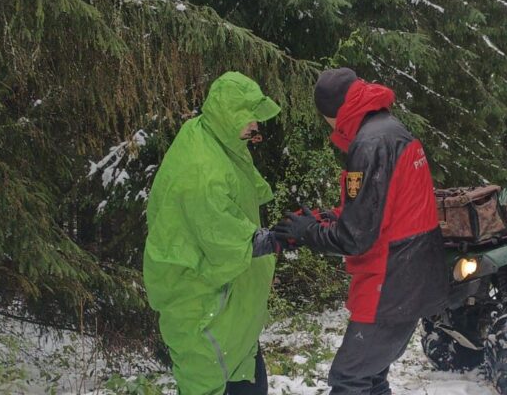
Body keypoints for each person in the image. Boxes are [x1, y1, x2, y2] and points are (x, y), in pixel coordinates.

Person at [274, 67, 448, 395]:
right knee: (371, 378)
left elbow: (354, 238)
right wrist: (326, 217)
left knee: (349, 378)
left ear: (330, 113)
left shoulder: (371, 143)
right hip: (410, 275)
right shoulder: (388, 130)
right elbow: (378, 207)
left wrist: (310, 231)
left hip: (392, 280)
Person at [143, 71, 283, 395]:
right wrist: (280, 238)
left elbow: (242, 197)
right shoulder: (202, 171)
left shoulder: (215, 138)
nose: (255, 127)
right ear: (228, 113)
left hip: (230, 308)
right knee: (210, 384)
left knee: (248, 381)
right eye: (250, 117)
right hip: (204, 311)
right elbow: (224, 236)